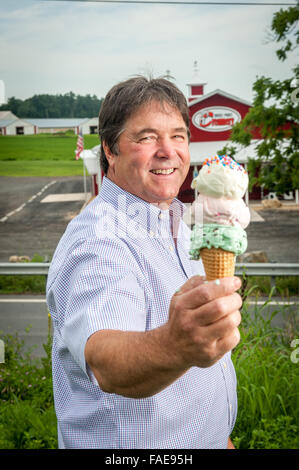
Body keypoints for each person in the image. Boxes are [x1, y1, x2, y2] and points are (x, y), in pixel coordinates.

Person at [46, 76, 242, 449]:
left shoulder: (180, 224)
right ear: (110, 149)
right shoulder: (99, 240)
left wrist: (220, 438)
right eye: (147, 137)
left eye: (179, 135)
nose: (168, 151)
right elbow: (107, 362)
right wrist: (176, 346)